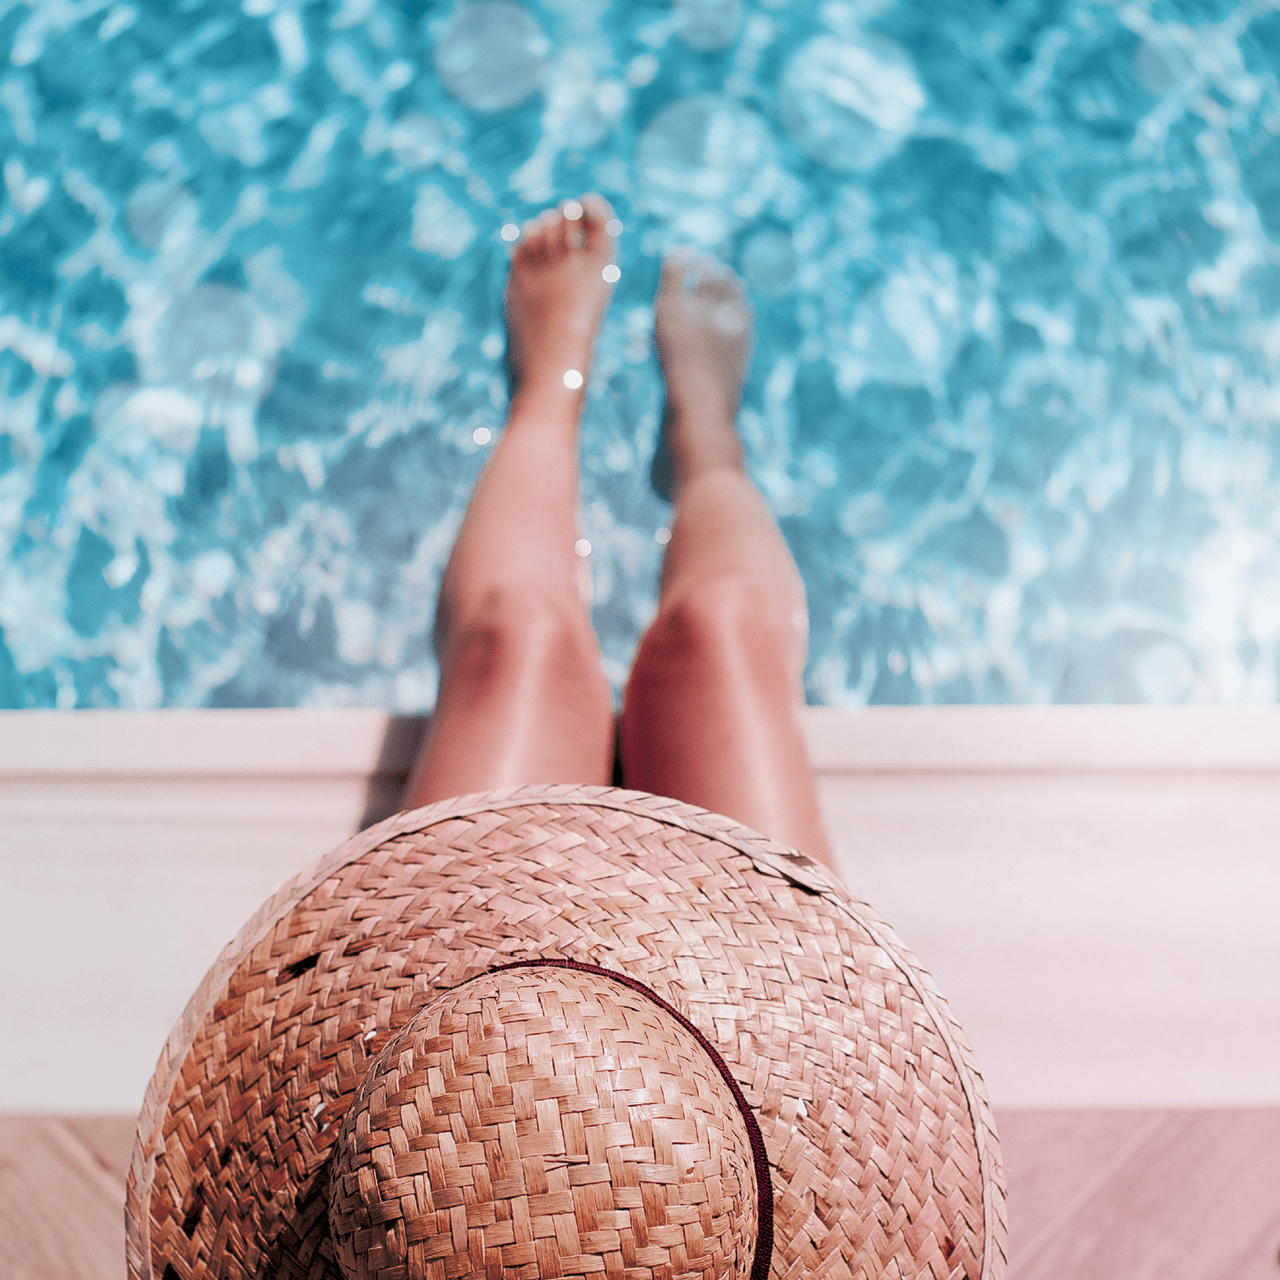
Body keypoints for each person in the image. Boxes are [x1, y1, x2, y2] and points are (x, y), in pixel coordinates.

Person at [402, 193, 833, 868]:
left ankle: (559, 393)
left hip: (478, 934)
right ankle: (700, 439)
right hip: (734, 938)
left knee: (514, 633)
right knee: (721, 627)